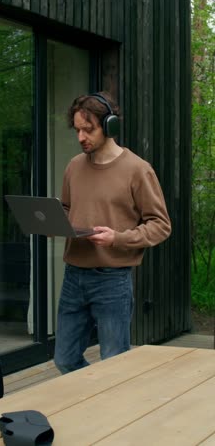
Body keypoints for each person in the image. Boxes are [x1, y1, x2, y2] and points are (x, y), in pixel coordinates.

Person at [54, 91, 171, 374]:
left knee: (115, 364)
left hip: (112, 280)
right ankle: (94, 399)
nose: (81, 137)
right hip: (73, 276)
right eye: (78, 130)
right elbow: (69, 208)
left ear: (109, 126)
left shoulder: (137, 169)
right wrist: (54, 222)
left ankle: (114, 412)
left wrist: (117, 238)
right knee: (65, 359)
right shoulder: (73, 166)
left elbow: (160, 225)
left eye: (88, 129)